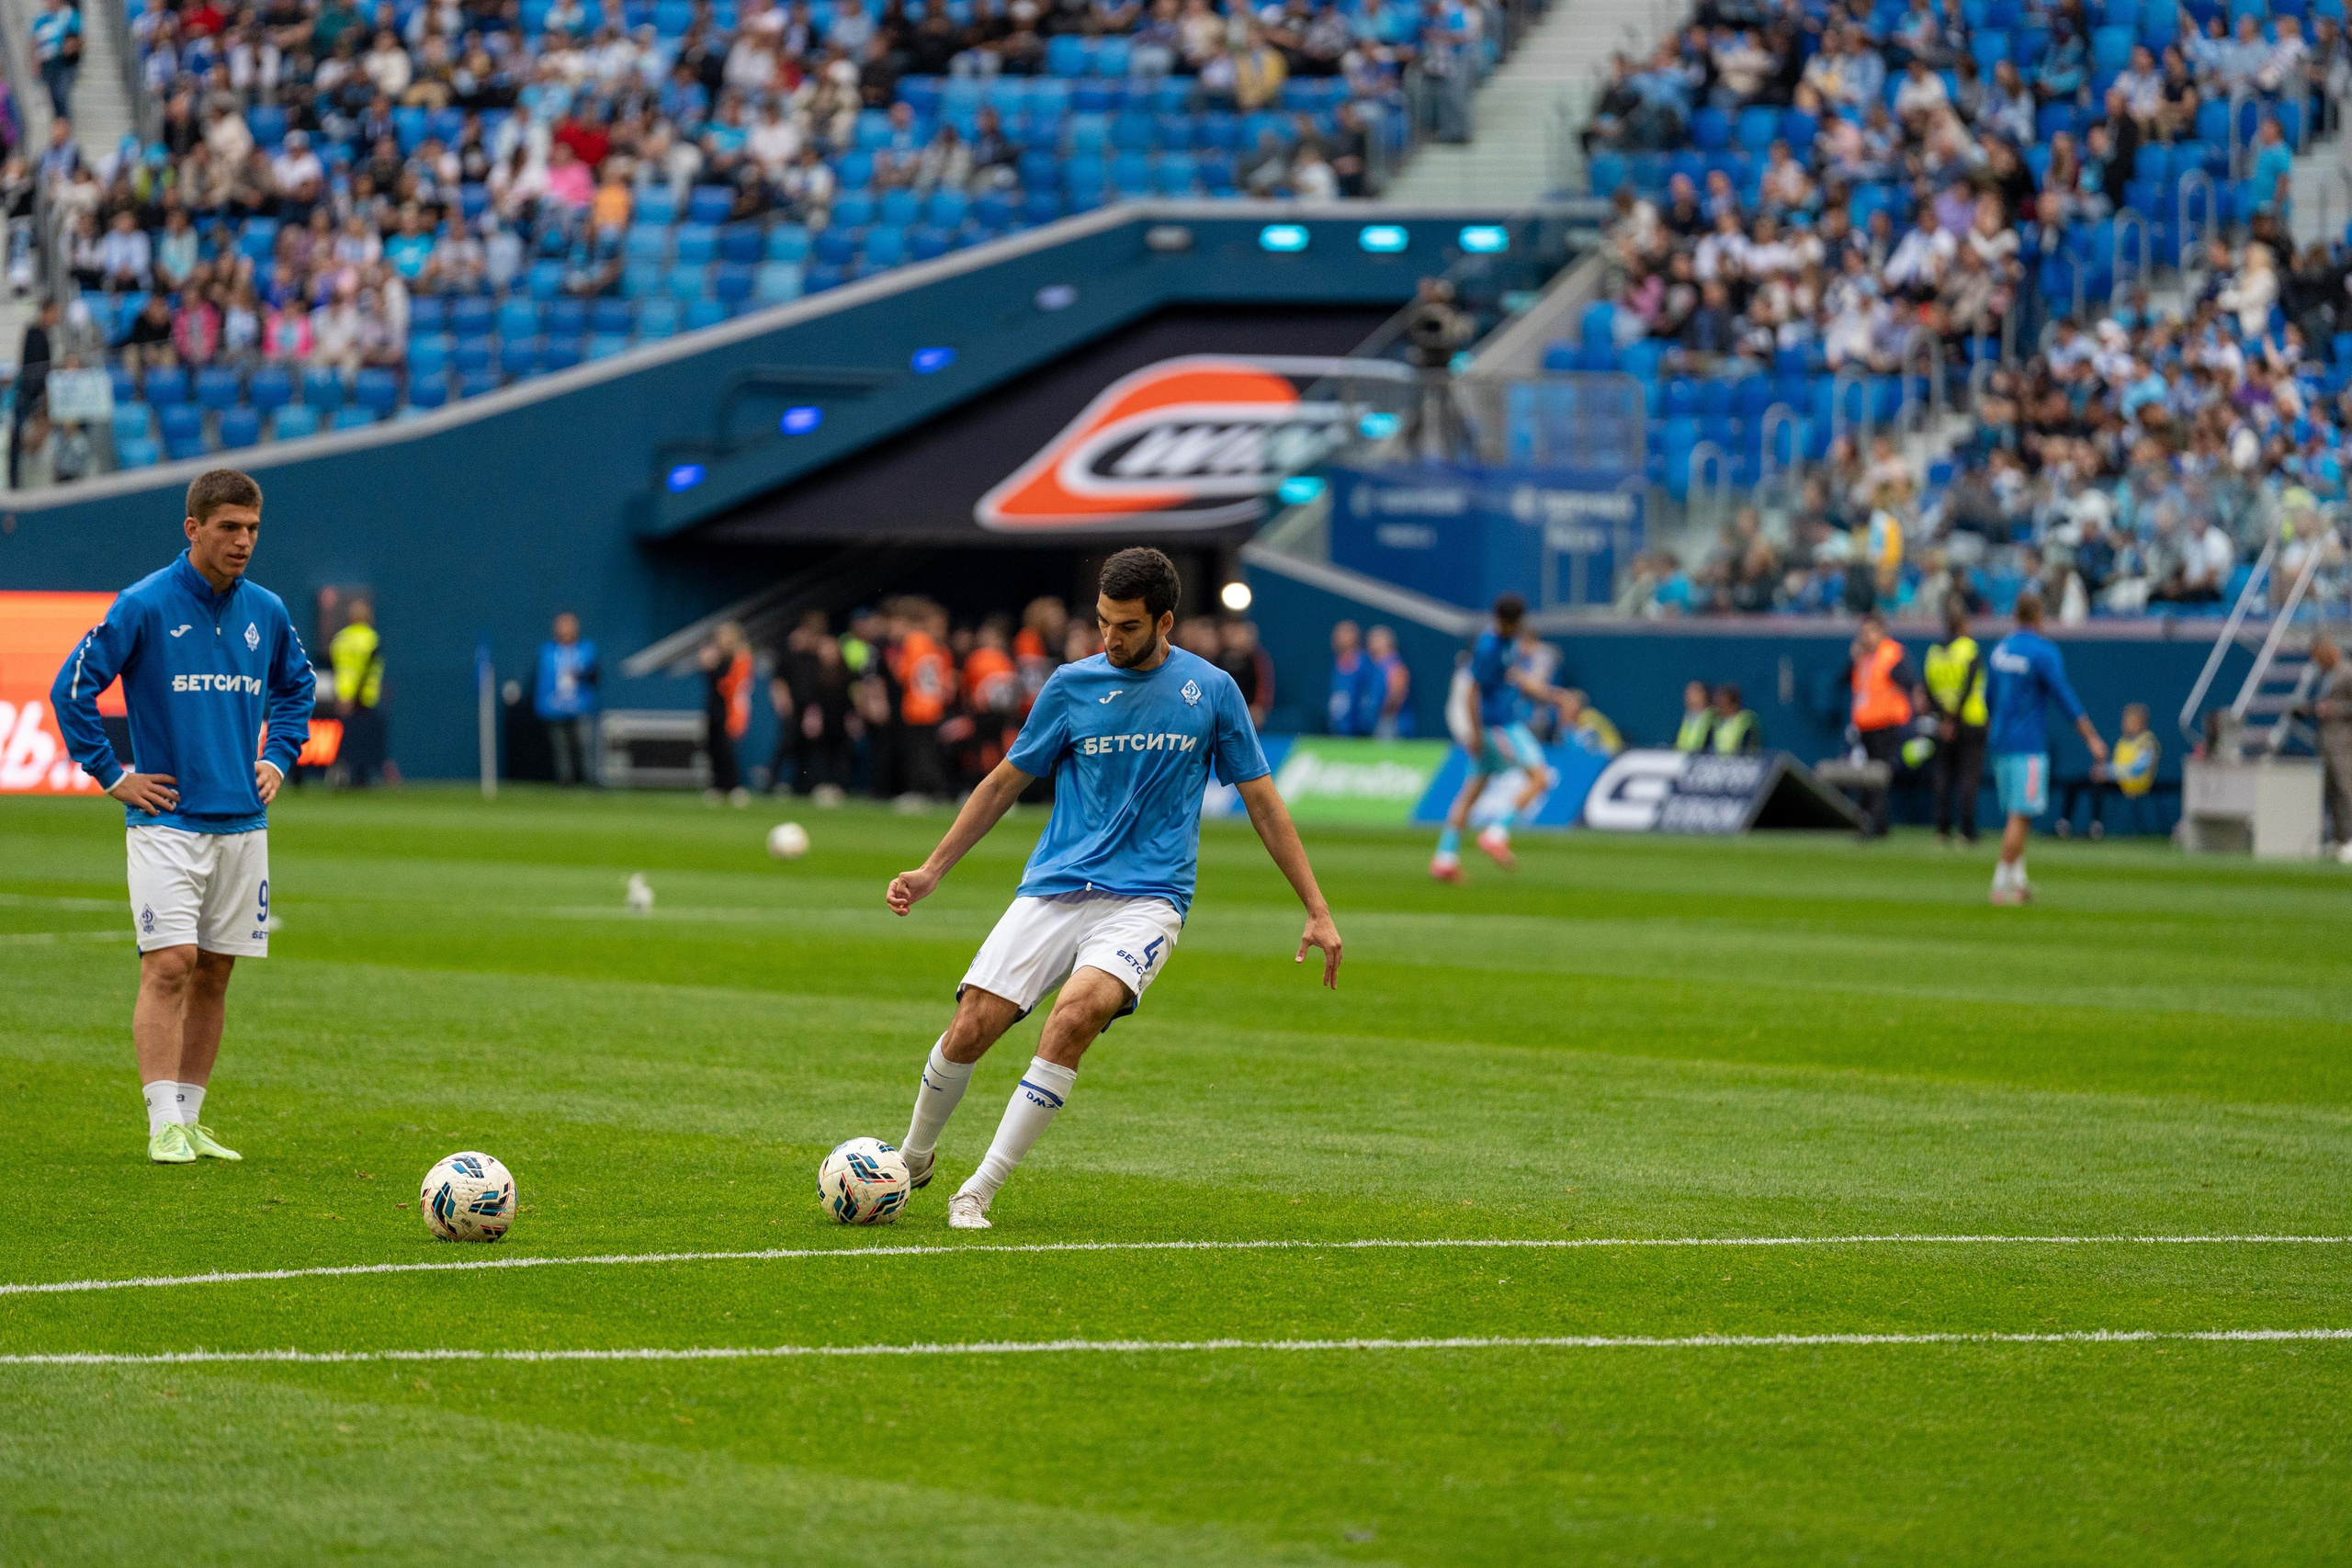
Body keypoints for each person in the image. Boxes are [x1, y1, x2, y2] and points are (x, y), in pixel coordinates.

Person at [884, 548, 1341, 1230]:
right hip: (1055, 886)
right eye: (1102, 621)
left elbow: (1265, 805)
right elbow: (1004, 783)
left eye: (1126, 626)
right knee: (970, 1028)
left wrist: (1316, 907)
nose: (1110, 638)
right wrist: (932, 870)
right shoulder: (1071, 685)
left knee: (1073, 1018)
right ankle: (912, 1158)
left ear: (1164, 621)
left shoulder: (1212, 690)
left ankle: (976, 1190)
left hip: (1147, 901)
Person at [48, 468, 315, 1164]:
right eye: (229, 527)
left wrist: (278, 756)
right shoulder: (144, 603)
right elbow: (71, 687)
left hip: (243, 824)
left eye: (252, 528)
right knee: (170, 964)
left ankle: (191, 1118)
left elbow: (298, 687)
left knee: (216, 972)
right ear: (193, 528)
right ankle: (161, 1121)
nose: (243, 541)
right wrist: (113, 774)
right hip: (167, 821)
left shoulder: (267, 611)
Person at [1985, 591, 2106, 905]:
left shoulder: (2000, 650)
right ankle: (2000, 884)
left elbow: (1988, 697)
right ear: (2039, 616)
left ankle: (2019, 882)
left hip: (2000, 743)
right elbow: (2064, 697)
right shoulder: (2043, 651)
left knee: (2015, 814)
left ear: (2015, 615)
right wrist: (2091, 737)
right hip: (2027, 745)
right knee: (2021, 814)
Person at [1432, 593, 1560, 883]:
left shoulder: (1506, 640)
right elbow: (1471, 691)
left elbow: (1510, 675)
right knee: (1540, 779)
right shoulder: (1488, 646)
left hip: (1494, 726)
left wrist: (1549, 694)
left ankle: (1444, 858)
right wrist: (1475, 734)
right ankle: (1496, 833)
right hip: (1499, 726)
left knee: (1472, 791)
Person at [1840, 611, 1920, 839]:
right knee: (1866, 775)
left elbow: (1909, 681)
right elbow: (1843, 680)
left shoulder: (1890, 654)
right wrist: (1853, 659)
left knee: (1878, 775)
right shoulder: (1863, 657)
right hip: (1865, 725)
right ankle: (1869, 822)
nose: (1866, 637)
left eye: (1871, 632)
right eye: (1863, 632)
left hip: (1886, 724)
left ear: (1881, 632)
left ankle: (1876, 824)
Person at [1921, 599, 1987, 845]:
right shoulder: (1968, 649)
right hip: (1971, 721)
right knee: (1969, 777)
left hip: (1942, 723)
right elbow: (1969, 687)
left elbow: (1929, 690)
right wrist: (1955, 718)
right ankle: (1967, 830)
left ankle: (1942, 829)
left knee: (1943, 776)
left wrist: (1944, 718)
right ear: (1962, 624)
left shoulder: (1933, 653)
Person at [330, 598, 391, 786]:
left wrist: (343, 696)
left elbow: (336, 668)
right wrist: (357, 696)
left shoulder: (340, 639)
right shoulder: (371, 639)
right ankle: (359, 777)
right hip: (364, 697)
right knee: (363, 739)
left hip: (342, 696)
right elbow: (367, 670)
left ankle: (342, 774)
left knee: (347, 737)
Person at [533, 611, 598, 786]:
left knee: (585, 743)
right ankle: (565, 781)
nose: (566, 629)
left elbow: (595, 675)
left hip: (580, 705)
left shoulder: (586, 649)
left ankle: (591, 779)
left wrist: (583, 675)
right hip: (554, 707)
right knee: (560, 747)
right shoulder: (548, 651)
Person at [2305, 636, 2352, 860]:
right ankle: (2339, 838)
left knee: (2346, 790)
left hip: (2344, 742)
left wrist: (2335, 709)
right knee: (2331, 791)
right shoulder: (2326, 675)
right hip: (2326, 741)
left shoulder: (2347, 672)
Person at [700, 620, 752, 806]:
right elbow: (713, 683)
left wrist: (711, 667)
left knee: (726, 748)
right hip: (714, 707)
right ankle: (717, 786)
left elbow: (730, 685)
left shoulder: (740, 657)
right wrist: (708, 666)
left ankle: (734, 786)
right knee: (712, 746)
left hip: (730, 709)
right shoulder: (717, 657)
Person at [1364, 624, 1413, 739]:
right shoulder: (1377, 665)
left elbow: (1397, 691)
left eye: (1374, 640)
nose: (1370, 644)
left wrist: (1385, 713)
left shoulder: (1393, 664)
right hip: (1378, 721)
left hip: (1391, 723)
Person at [1327, 618, 1373, 736]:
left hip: (1359, 728)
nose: (1336, 637)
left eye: (1341, 634)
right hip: (1339, 725)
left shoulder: (1364, 662)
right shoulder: (1337, 661)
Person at [1710, 682, 1761, 753]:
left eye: (1722, 702)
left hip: (1742, 759)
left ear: (1733, 703)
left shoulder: (1745, 719)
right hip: (1718, 760)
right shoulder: (1715, 720)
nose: (1718, 706)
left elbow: (1747, 743)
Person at [1674, 678, 1715, 751]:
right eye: (1688, 692)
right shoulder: (1686, 719)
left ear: (1704, 694)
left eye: (1694, 692)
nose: (1688, 696)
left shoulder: (1713, 718)